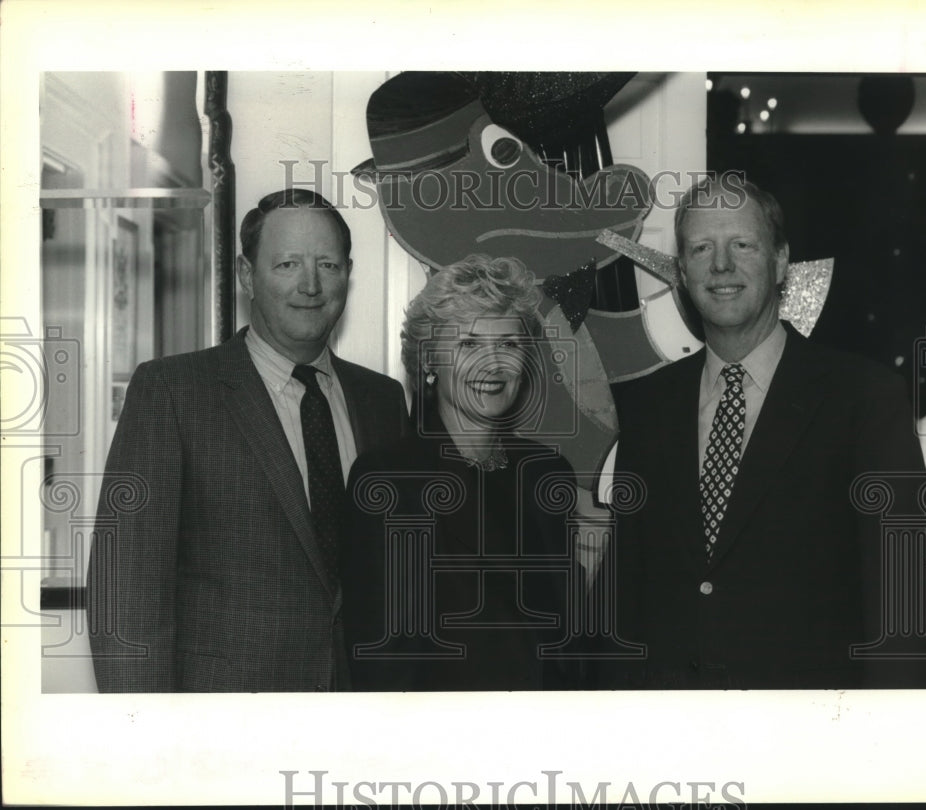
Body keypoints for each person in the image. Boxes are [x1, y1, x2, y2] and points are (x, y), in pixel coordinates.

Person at [604, 174, 926, 689]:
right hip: (674, 742)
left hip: (808, 741)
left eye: (742, 244)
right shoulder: (647, 407)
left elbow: (901, 608)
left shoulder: (864, 400)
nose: (721, 266)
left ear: (780, 261)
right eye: (701, 248)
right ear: (682, 272)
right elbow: (623, 599)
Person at [86, 188, 409, 692]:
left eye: (327, 264)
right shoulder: (173, 392)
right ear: (245, 275)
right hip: (224, 725)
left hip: (363, 717)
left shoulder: (383, 400)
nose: (310, 284)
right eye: (287, 265)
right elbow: (125, 589)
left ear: (348, 273)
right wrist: (142, 744)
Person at [341, 255, 578, 690]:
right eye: (469, 344)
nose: (493, 365)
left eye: (508, 344)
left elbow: (574, 638)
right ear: (430, 361)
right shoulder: (388, 481)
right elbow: (381, 658)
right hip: (443, 744)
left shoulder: (547, 472)